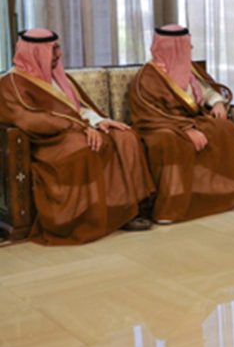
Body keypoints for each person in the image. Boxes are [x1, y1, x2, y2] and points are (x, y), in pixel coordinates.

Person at [0, 29, 153, 244]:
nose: (59, 54)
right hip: (46, 141)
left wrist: (98, 121)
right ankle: (82, 220)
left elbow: (77, 108)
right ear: (35, 52)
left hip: (75, 129)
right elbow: (29, 120)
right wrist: (80, 127)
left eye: (58, 48)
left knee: (125, 137)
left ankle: (128, 210)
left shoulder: (59, 77)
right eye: (53, 50)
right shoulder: (11, 83)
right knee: (84, 147)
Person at [129, 25, 234, 224]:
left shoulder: (188, 68)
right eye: (186, 45)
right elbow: (148, 113)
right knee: (167, 141)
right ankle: (170, 208)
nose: (190, 48)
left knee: (226, 129)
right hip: (159, 126)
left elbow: (206, 91)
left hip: (191, 120)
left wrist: (217, 103)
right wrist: (184, 130)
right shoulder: (148, 76)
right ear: (173, 48)